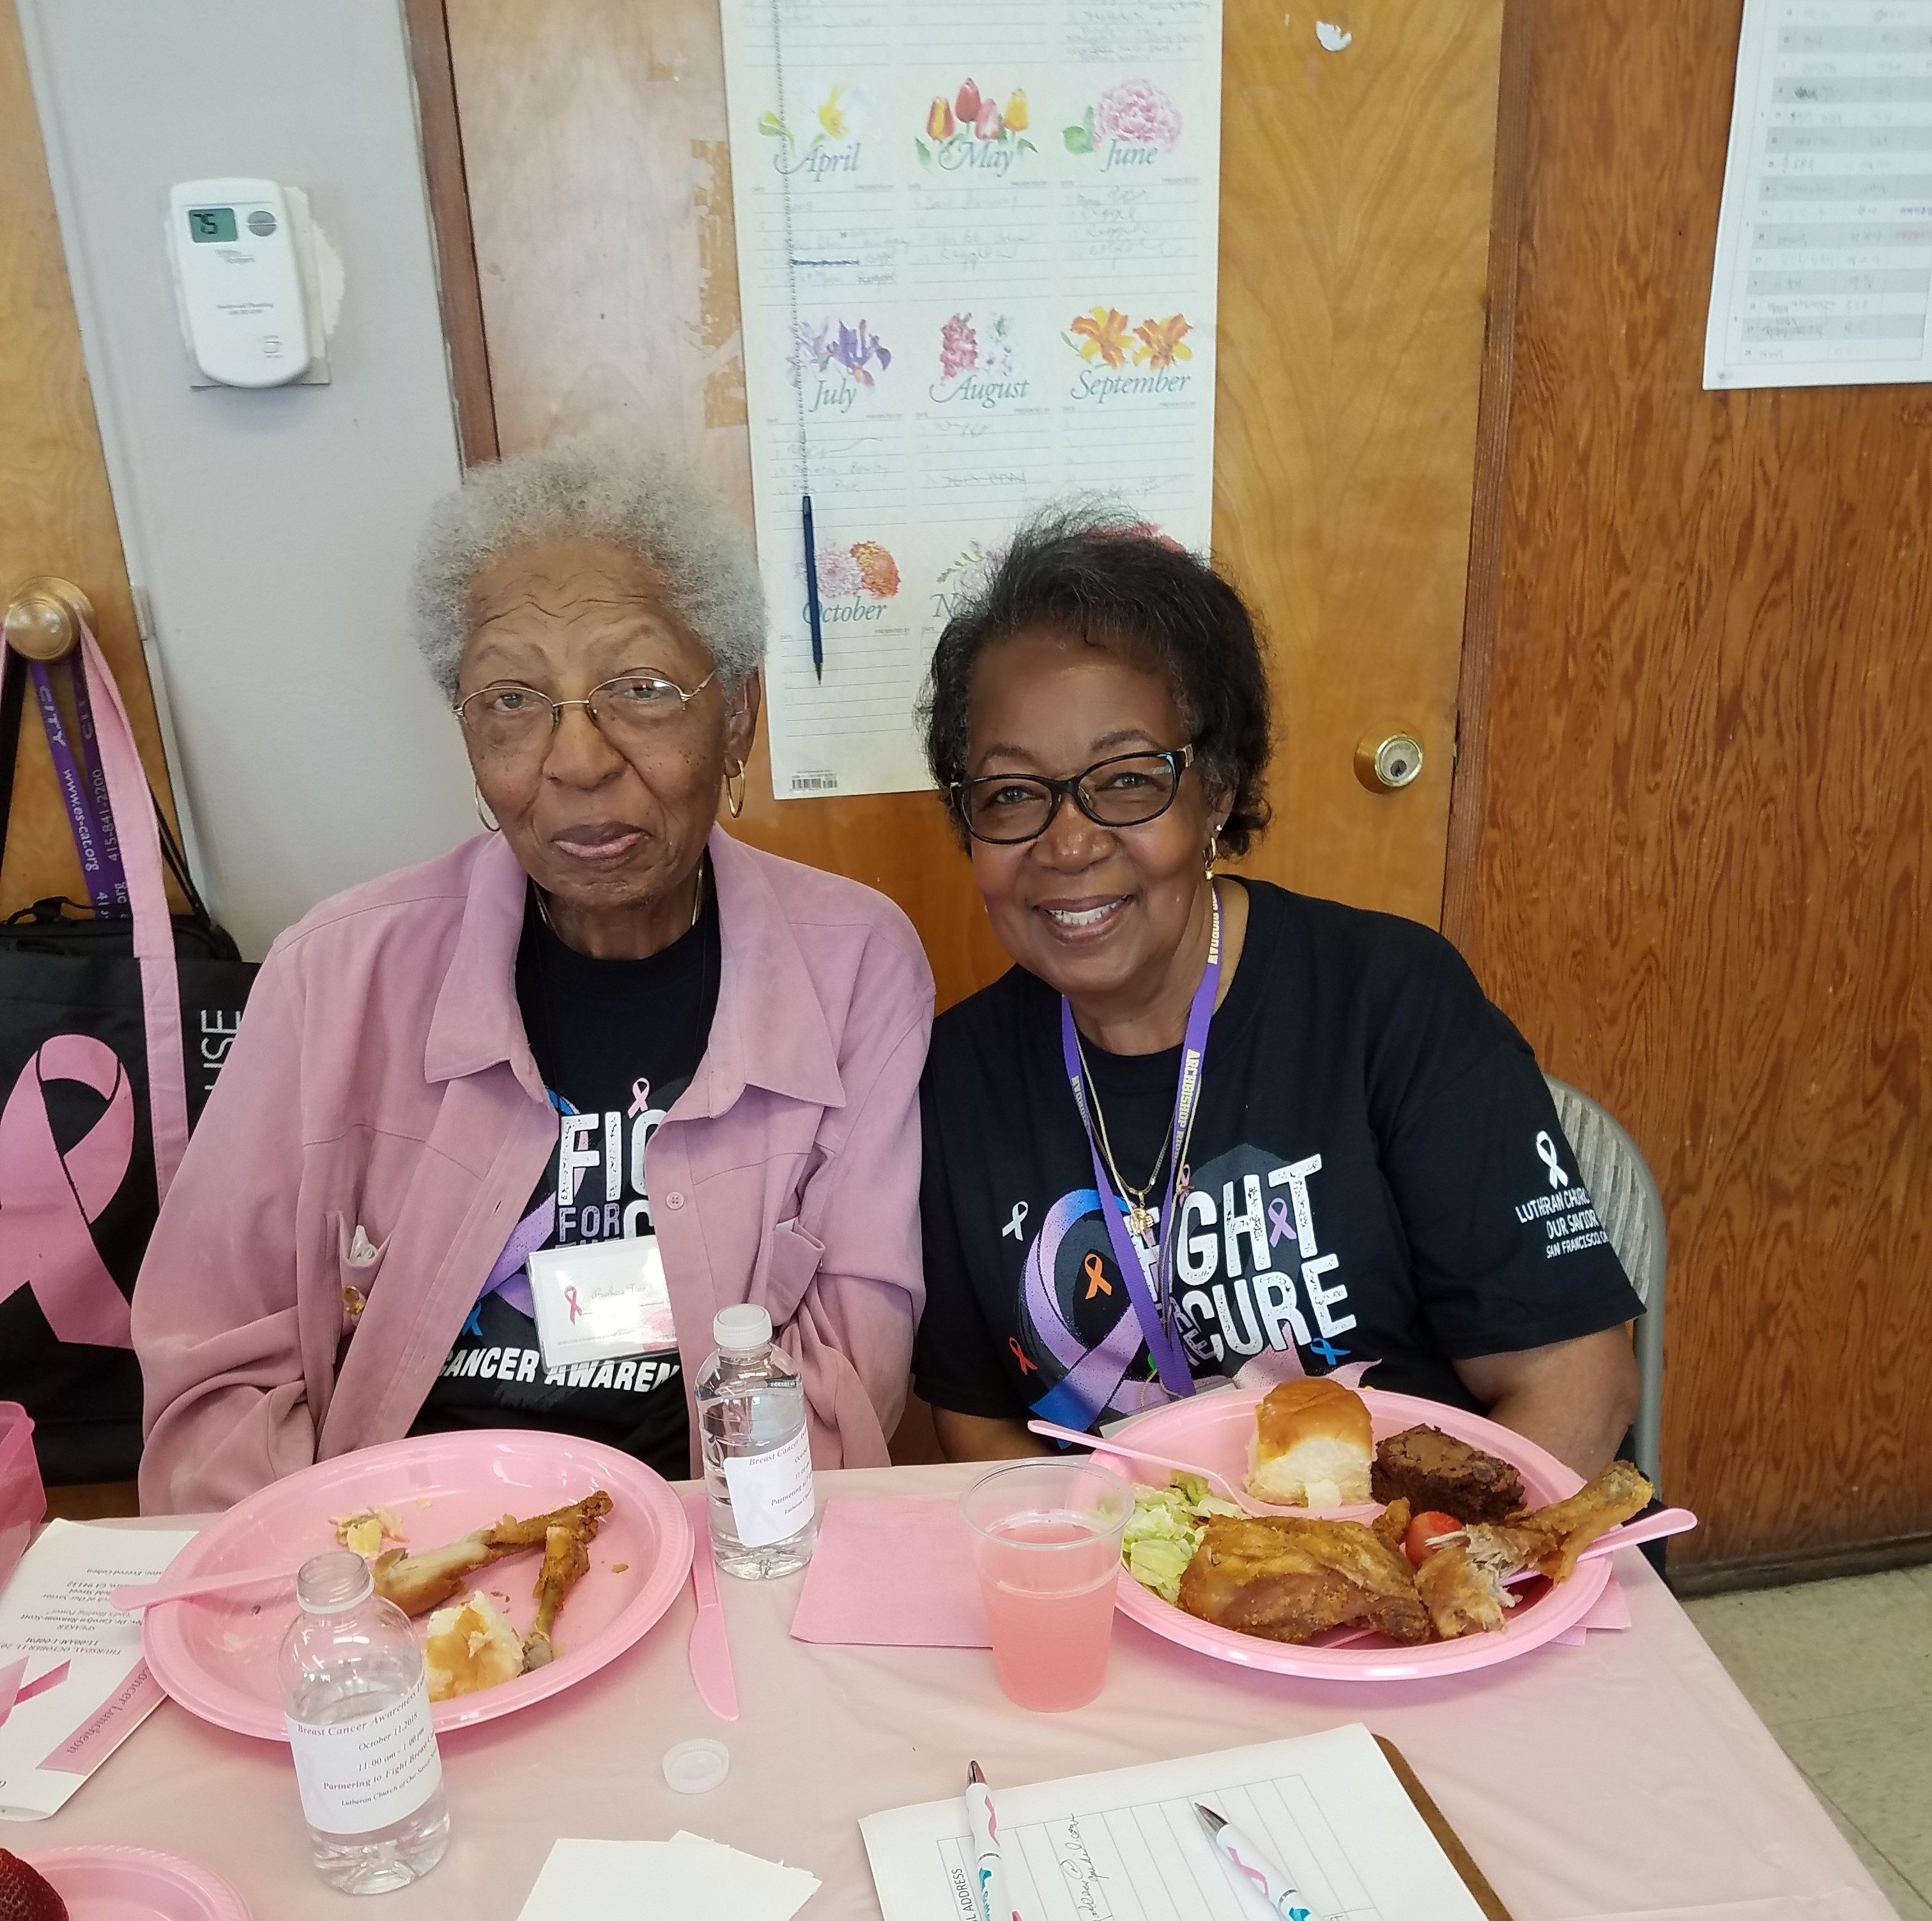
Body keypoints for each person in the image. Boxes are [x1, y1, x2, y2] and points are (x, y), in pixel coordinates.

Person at [134, 440, 932, 1513]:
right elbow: (211, 1375)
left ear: (736, 712)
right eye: (511, 699)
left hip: (707, 1543)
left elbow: (850, 1367)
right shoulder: (333, 975)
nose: (577, 759)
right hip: (396, 1554)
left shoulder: (854, 962)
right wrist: (354, 1585)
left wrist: (667, 1570)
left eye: (641, 689)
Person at [912, 512, 1643, 1477]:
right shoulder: (957, 1077)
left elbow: (1574, 1375)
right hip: (1128, 1586)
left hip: (1426, 1569)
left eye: (1128, 781)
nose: (1069, 842)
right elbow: (980, 1428)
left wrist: (1425, 1592)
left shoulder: (1391, 1003)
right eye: (1011, 794)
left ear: (1214, 789)